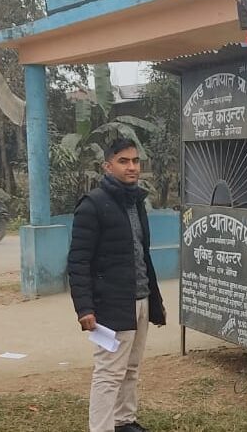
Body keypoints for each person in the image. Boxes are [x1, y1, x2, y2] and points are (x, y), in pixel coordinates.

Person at [68, 138, 166, 432]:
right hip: (110, 305)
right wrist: (84, 307)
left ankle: (124, 421)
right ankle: (101, 428)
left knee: (131, 367)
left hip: (139, 298)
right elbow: (78, 261)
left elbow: (141, 255)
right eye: (124, 161)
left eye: (135, 161)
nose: (132, 167)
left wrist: (155, 302)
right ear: (107, 166)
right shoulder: (93, 205)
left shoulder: (136, 201)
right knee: (109, 373)